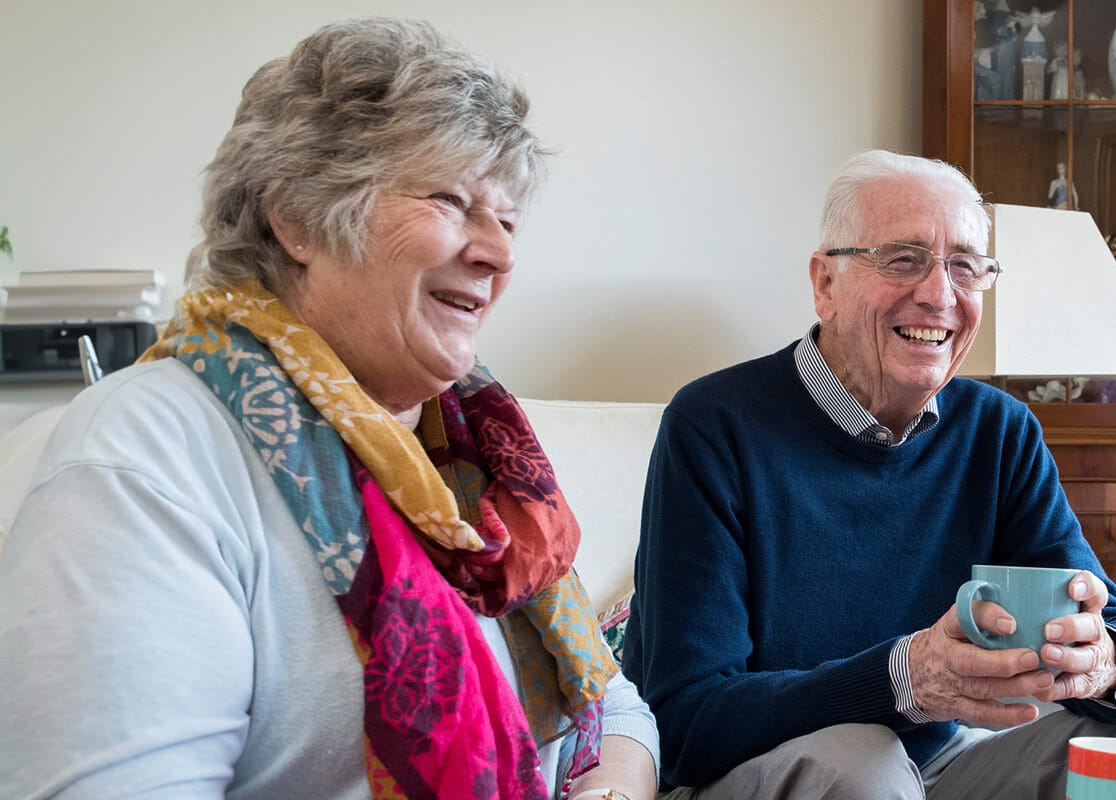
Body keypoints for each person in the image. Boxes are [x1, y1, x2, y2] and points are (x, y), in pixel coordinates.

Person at [0, 19, 659, 800]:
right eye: (452, 200)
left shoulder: (479, 450)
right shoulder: (149, 453)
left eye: (508, 221)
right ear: (299, 217)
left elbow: (613, 703)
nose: (500, 253)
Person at [631, 149, 1116, 799]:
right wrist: (903, 678)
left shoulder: (999, 431)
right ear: (826, 284)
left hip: (941, 766)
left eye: (964, 266)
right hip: (768, 772)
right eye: (903, 259)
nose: (939, 295)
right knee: (864, 760)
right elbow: (684, 722)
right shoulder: (713, 426)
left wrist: (1101, 660)